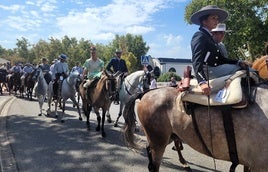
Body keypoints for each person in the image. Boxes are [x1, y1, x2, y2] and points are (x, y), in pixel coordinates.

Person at [190, 5, 248, 97]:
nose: (217, 21)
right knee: (244, 70)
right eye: (213, 18)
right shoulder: (200, 36)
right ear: (204, 21)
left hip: (214, 68)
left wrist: (238, 61)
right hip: (208, 71)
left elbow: (221, 59)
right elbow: (196, 60)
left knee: (242, 67)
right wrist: (202, 82)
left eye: (217, 18)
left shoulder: (209, 37)